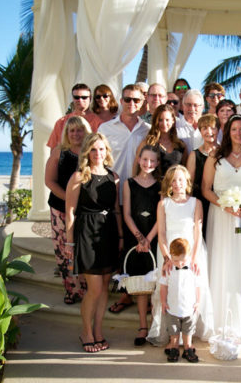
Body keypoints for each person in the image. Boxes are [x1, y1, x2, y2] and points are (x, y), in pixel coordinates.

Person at [202, 115, 241, 345]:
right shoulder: (214, 157)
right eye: (234, 129)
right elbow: (206, 189)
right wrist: (225, 205)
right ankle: (219, 320)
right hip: (220, 217)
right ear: (227, 132)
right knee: (222, 262)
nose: (238, 133)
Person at [65, 132, 123, 353]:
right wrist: (70, 244)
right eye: (93, 149)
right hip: (87, 233)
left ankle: (98, 331)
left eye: (101, 149)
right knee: (95, 289)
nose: (98, 153)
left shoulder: (114, 176)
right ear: (87, 151)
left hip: (107, 232)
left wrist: (119, 237)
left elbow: (116, 209)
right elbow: (70, 212)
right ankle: (86, 331)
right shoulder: (79, 176)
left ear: (106, 151)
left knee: (105, 287)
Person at [148, 165, 213, 346]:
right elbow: (161, 233)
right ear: (169, 184)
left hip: (192, 252)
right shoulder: (163, 204)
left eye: (181, 180)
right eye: (174, 180)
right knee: (170, 290)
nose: (177, 184)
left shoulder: (196, 203)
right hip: (168, 253)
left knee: (191, 290)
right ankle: (172, 337)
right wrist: (167, 257)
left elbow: (198, 232)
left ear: (187, 182)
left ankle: (189, 335)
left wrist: (193, 259)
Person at [99, 84, 150, 314]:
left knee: (134, 244)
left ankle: (135, 292)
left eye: (137, 100)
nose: (132, 104)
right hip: (112, 195)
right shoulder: (106, 128)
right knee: (115, 245)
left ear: (142, 102)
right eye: (128, 99)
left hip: (139, 196)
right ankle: (123, 292)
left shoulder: (147, 129)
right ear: (121, 100)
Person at [45, 116, 91, 305]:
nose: (75, 134)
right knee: (65, 250)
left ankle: (87, 289)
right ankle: (71, 290)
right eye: (71, 131)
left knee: (84, 250)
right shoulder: (59, 152)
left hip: (85, 210)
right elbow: (49, 181)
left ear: (86, 131)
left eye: (79, 130)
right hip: (60, 209)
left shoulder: (91, 152)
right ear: (66, 133)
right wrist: (69, 200)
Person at [122, 145, 161, 346]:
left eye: (152, 161)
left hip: (154, 237)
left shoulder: (160, 185)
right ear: (139, 160)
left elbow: (161, 215)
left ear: (157, 163)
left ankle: (156, 325)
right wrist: (139, 237)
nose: (148, 164)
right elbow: (126, 213)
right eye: (145, 160)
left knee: (154, 282)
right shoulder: (129, 183)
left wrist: (149, 238)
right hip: (135, 237)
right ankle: (142, 325)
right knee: (141, 283)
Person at [161, 238, 201, 363]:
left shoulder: (193, 269)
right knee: (173, 330)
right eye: (175, 260)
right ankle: (174, 347)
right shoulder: (168, 270)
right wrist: (163, 301)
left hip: (189, 307)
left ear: (188, 256)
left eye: (182, 260)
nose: (179, 264)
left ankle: (188, 347)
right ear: (171, 257)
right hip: (172, 307)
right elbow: (163, 287)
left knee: (188, 330)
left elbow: (198, 286)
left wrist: (198, 301)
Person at [186, 114, 219, 239]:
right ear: (200, 131)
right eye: (204, 128)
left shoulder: (225, 153)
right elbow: (189, 185)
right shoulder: (194, 155)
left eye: (212, 128)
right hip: (202, 204)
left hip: (221, 202)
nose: (209, 132)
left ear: (218, 130)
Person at [136, 104, 187, 178]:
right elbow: (136, 167)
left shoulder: (181, 145)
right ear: (155, 121)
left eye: (167, 120)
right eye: (160, 120)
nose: (164, 123)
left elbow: (185, 171)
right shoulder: (147, 143)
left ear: (173, 121)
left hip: (174, 187)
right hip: (152, 187)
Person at [47, 83, 102, 151]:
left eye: (84, 97)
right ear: (73, 98)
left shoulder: (100, 123)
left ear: (90, 98)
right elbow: (54, 150)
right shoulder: (61, 122)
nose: (80, 100)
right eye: (76, 97)